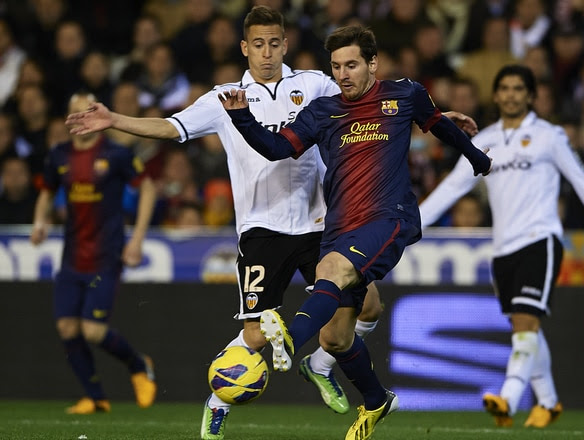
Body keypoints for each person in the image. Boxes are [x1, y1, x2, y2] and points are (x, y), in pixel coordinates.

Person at [66, 7, 392, 439]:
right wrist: (114, 120)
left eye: (273, 43)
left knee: (368, 306)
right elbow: (170, 127)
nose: (267, 53)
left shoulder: (314, 84)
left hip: (320, 226)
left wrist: (431, 118)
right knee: (255, 336)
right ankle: (218, 402)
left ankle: (321, 364)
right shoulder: (225, 98)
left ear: (285, 44)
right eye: (258, 44)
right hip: (262, 231)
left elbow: (367, 100)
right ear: (244, 48)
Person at [219, 25, 491, 440]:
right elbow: (276, 149)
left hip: (388, 217)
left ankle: (290, 340)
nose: (343, 74)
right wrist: (241, 116)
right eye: (336, 66)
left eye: (351, 65)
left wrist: (476, 158)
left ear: (372, 63)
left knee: (331, 270)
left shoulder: (404, 94)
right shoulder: (322, 111)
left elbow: (438, 124)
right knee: (335, 337)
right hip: (339, 225)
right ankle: (377, 400)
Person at [418, 65, 584, 428]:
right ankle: (548, 402)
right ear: (496, 95)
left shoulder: (549, 136)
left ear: (530, 95)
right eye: (505, 88)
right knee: (524, 324)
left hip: (540, 240)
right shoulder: (485, 139)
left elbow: (581, 179)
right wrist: (412, 225)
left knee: (525, 322)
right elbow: (453, 187)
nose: (511, 95)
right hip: (503, 249)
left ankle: (508, 398)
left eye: (519, 88)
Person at [30, 92, 157, 414]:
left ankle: (138, 364)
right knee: (67, 328)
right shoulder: (59, 155)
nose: (82, 117)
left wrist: (137, 238)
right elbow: (46, 192)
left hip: (106, 255)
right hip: (72, 255)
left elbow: (147, 188)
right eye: (76, 112)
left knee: (93, 330)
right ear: (68, 118)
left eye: (88, 111)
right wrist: (40, 221)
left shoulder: (116, 153)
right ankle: (96, 397)